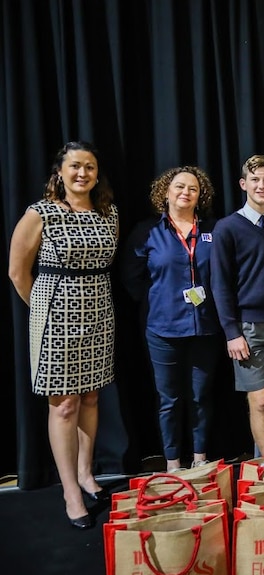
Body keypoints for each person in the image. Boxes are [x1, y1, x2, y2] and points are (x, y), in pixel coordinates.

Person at [8, 141, 118, 529]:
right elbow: (18, 272)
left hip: (99, 310)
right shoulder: (41, 213)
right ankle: (70, 490)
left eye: (89, 166)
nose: (83, 173)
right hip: (55, 312)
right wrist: (43, 308)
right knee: (65, 404)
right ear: (60, 171)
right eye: (75, 166)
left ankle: (87, 474)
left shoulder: (109, 212)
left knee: (90, 395)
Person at [121, 166, 221, 473]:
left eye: (192, 188)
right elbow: (131, 277)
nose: (185, 193)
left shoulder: (213, 231)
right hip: (162, 329)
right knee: (170, 400)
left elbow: (225, 274)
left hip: (204, 327)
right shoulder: (147, 231)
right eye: (179, 187)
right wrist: (160, 301)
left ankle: (201, 458)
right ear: (165, 192)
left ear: (200, 195)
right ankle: (174, 462)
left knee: (201, 397)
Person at [211, 154, 264, 457]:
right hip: (247, 328)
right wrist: (231, 332)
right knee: (259, 400)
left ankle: (261, 462)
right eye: (255, 180)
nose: (261, 185)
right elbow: (219, 283)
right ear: (243, 184)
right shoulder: (227, 228)